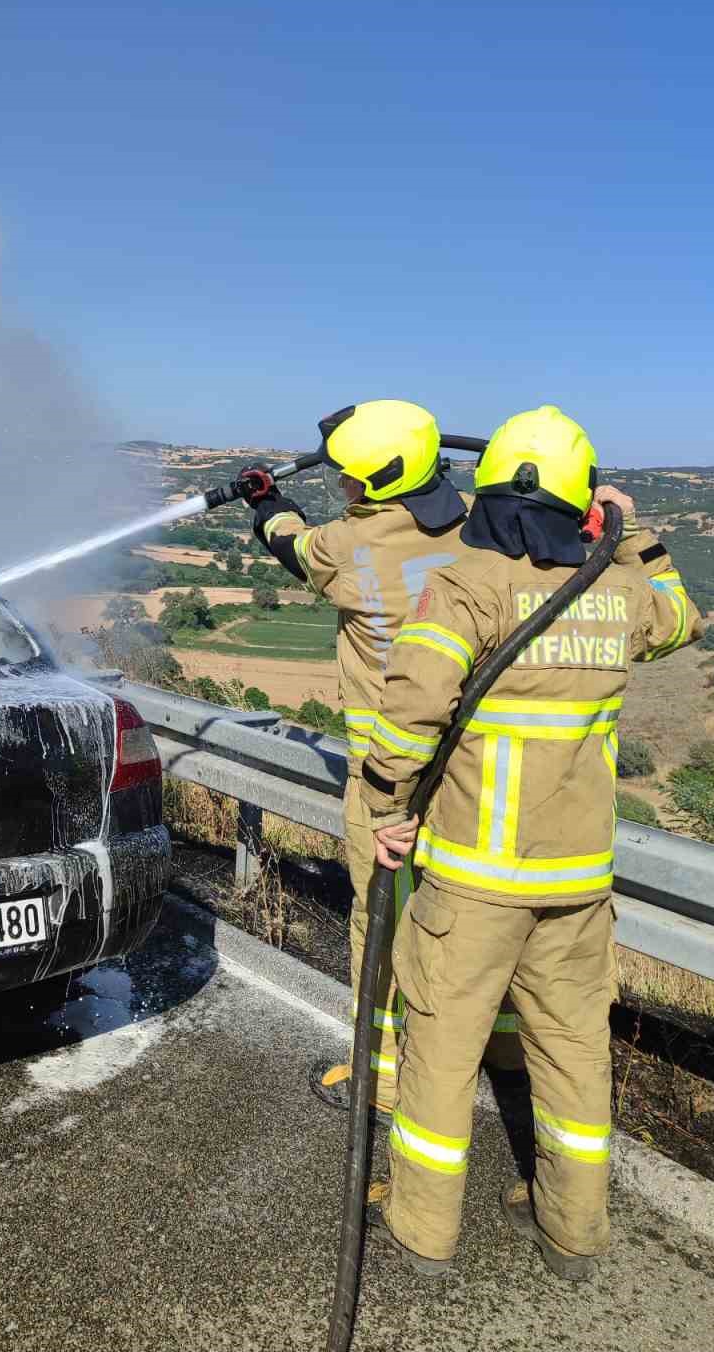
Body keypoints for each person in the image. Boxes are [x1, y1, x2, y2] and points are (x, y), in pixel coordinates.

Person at [359, 405, 701, 1279]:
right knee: (574, 1055)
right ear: (577, 500)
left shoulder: (465, 585)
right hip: (580, 887)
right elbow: (681, 618)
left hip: (473, 885)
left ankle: (424, 1235)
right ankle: (574, 1235)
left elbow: (408, 718)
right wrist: (635, 533)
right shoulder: (618, 594)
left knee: (440, 1052)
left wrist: (387, 802)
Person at [240, 399, 523, 1119]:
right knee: (482, 912)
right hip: (483, 764)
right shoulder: (487, 531)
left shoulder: (345, 545)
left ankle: (387, 1072)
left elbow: (288, 544)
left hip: (389, 775)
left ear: (363, 487)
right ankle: (502, 1049)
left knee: (385, 918)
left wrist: (267, 500)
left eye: (348, 480)